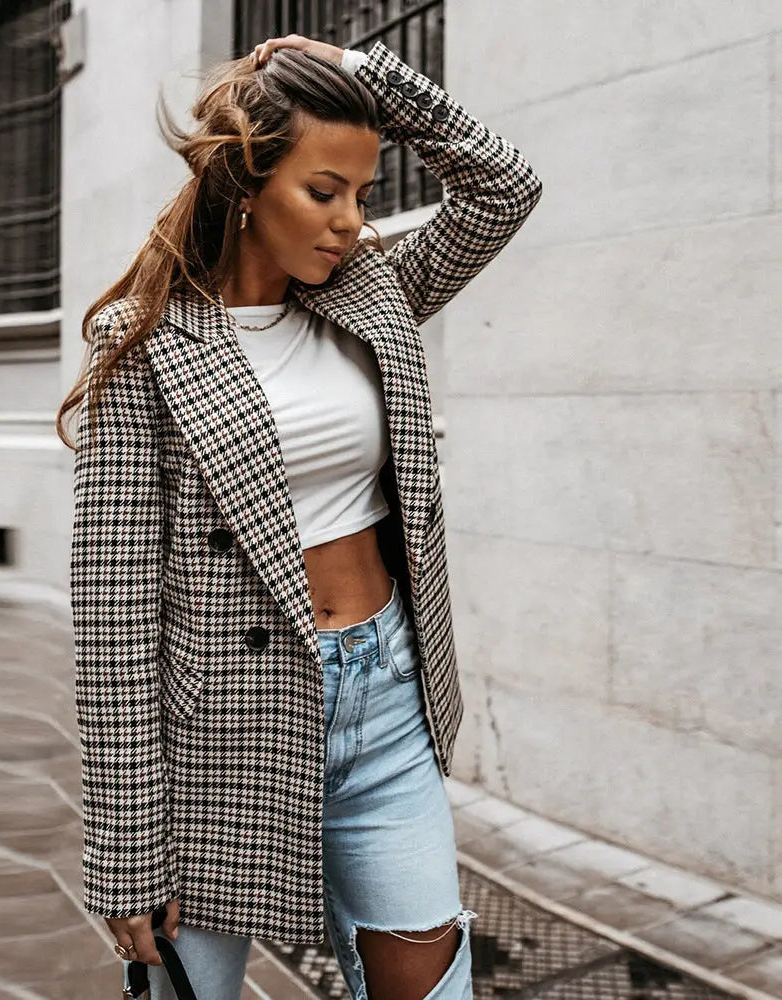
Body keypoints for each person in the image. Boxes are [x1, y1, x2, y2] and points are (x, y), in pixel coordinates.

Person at [57, 32, 541, 1000]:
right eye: (324, 192)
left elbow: (503, 187)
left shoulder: (374, 294)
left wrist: (366, 72)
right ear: (245, 184)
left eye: (362, 194)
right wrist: (126, 848)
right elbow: (113, 612)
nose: (351, 223)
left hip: (386, 692)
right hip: (220, 731)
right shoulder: (142, 343)